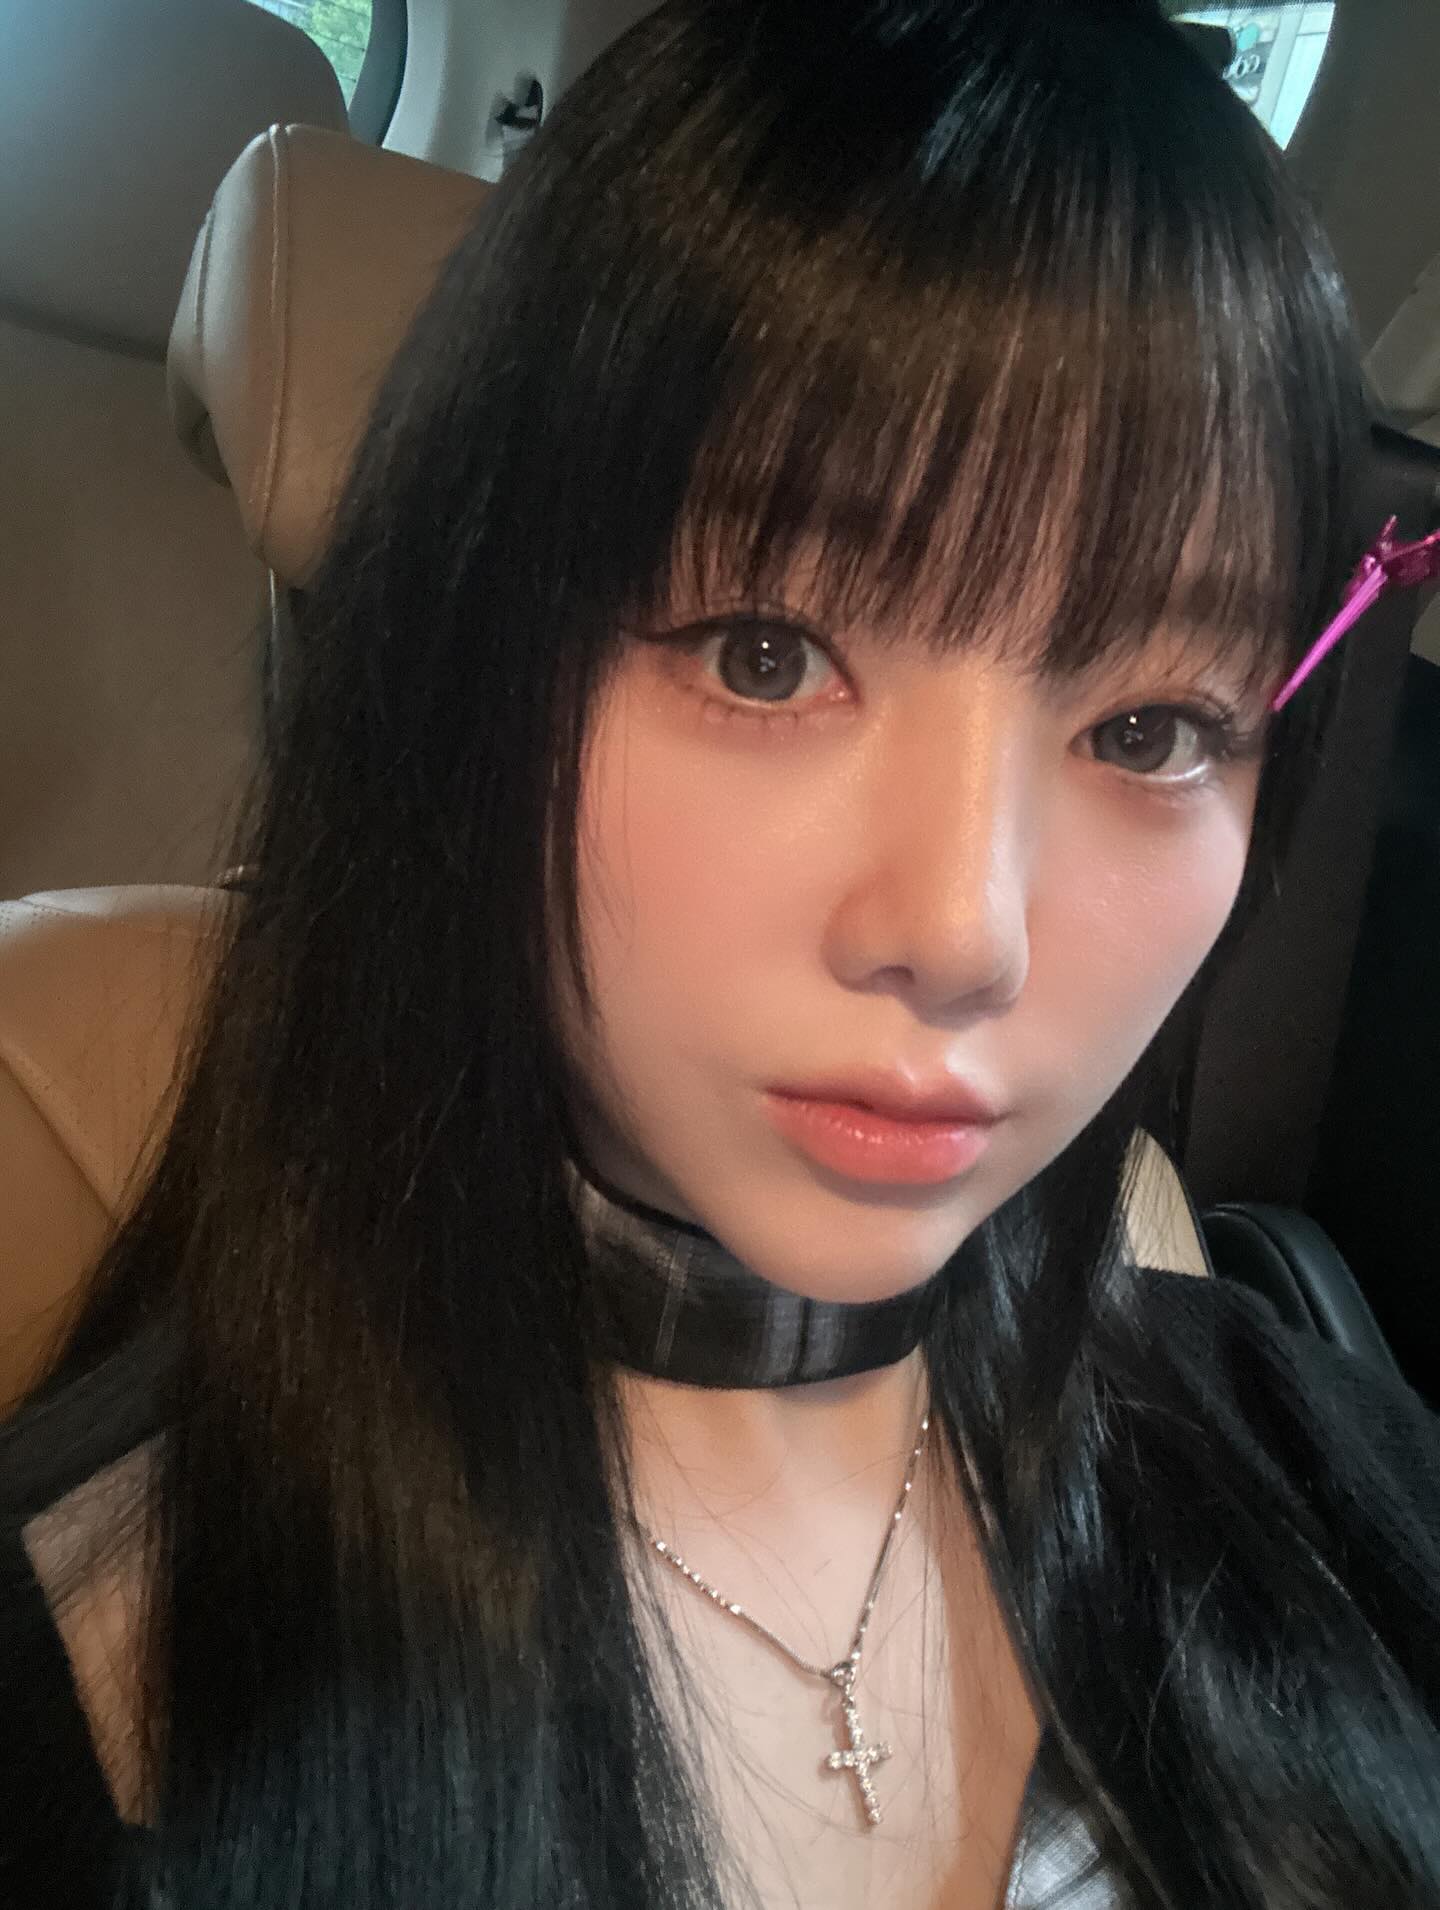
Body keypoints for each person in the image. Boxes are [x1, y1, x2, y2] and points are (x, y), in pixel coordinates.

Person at [2, 2, 1438, 1905]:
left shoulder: (1315, 1444)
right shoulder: (92, 1693)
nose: (964, 934)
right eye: (767, 655)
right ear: (474, 664)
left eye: (1153, 727)